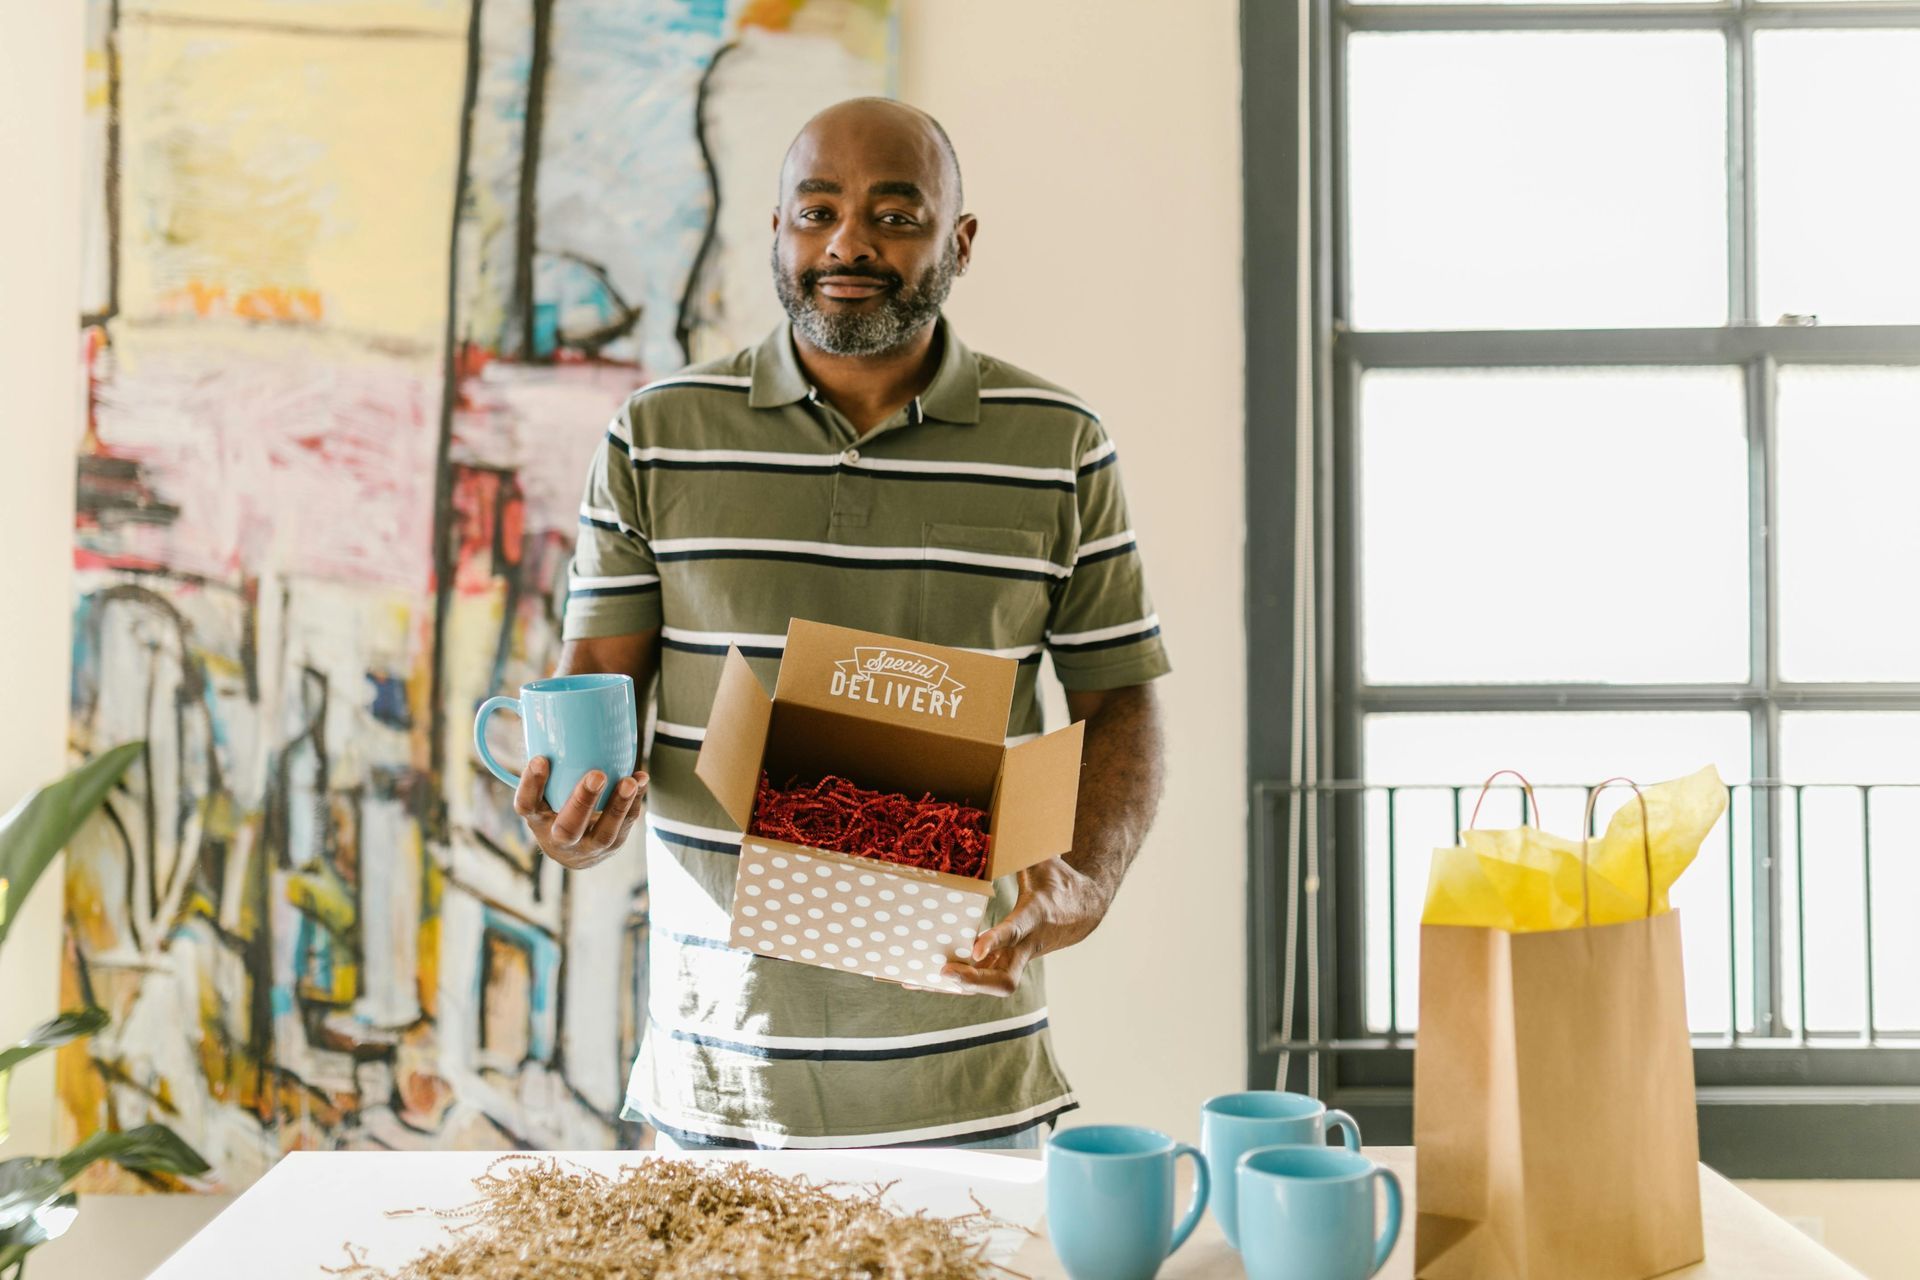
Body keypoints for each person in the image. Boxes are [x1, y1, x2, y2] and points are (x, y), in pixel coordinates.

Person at [514, 97, 1169, 1150]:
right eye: (815, 210)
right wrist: (574, 817)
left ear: (959, 241)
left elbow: (1120, 697)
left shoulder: (1060, 446)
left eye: (894, 216)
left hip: (971, 1087)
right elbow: (597, 686)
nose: (848, 243)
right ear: (775, 231)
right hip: (717, 1094)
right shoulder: (657, 436)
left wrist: (1088, 876)